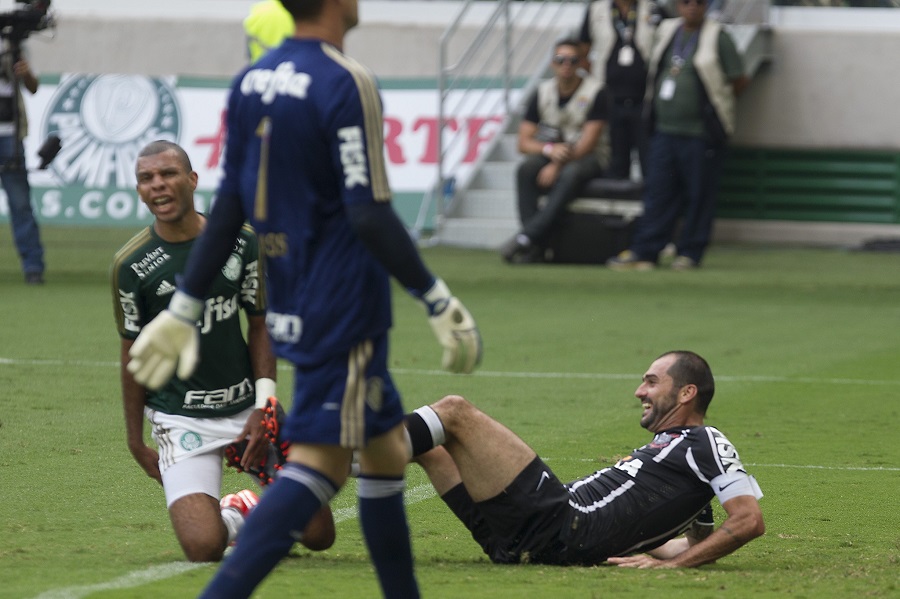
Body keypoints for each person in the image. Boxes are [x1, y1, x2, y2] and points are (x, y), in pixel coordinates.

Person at [126, 0, 482, 596]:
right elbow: (368, 212)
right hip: (345, 308)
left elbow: (231, 208)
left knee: (385, 453)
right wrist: (435, 295)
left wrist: (186, 306)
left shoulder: (251, 81)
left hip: (292, 300)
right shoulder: (345, 79)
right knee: (319, 466)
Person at [112, 140, 335, 562]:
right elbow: (130, 356)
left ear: (192, 180)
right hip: (180, 418)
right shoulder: (131, 266)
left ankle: (253, 503)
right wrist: (134, 440)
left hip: (244, 410)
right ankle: (237, 515)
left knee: (318, 533)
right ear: (139, 190)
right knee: (204, 547)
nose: (158, 185)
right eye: (146, 178)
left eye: (168, 174)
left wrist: (263, 407)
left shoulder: (241, 242)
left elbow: (259, 324)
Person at [404, 350, 765, 567]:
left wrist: (677, 567)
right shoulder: (682, 470)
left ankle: (347, 450)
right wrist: (675, 553)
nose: (640, 391)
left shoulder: (705, 441)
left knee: (454, 412)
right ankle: (350, 462)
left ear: (687, 393)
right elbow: (690, 543)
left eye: (652, 382)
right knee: (433, 450)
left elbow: (748, 519)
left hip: (559, 524)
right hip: (520, 540)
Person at [606, 0, 748, 271]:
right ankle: (646, 250)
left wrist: (715, 106)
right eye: (685, 2)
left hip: (701, 132)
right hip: (664, 130)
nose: (692, 7)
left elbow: (738, 79)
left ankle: (689, 252)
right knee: (658, 193)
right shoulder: (668, 29)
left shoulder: (718, 35)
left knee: (698, 195)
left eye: (698, 3)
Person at [499, 38, 610, 264]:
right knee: (526, 169)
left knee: (571, 174)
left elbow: (587, 144)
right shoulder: (542, 92)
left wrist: (557, 165)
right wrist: (549, 150)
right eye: (560, 60)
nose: (566, 64)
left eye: (572, 60)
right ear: (552, 63)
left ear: (582, 63)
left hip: (590, 157)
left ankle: (527, 236)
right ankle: (535, 246)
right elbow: (523, 143)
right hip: (554, 152)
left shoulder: (597, 91)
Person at [579, 0, 661, 180]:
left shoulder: (653, 8)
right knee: (616, 164)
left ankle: (650, 206)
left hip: (645, 100)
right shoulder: (596, 10)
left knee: (650, 163)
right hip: (610, 101)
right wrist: (595, 81)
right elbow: (582, 51)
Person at [1, 42, 44, 285]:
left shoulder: (12, 44)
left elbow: (33, 87)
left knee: (20, 203)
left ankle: (33, 266)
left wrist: (25, 72)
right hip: (10, 137)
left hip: (10, 135)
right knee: (21, 203)